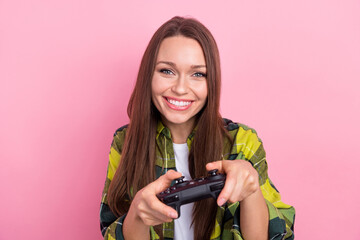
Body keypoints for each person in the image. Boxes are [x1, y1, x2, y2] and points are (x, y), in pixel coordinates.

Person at [100, 16, 295, 240]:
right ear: (148, 75)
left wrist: (251, 191)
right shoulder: (125, 142)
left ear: (212, 82)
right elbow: (111, 228)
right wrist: (137, 214)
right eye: (167, 71)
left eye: (198, 74)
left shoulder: (242, 141)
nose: (181, 88)